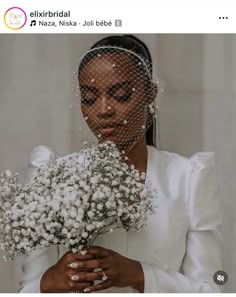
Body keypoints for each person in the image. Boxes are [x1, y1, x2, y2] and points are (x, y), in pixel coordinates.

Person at [19, 35, 223, 293]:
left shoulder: (189, 178)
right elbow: (27, 289)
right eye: (90, 98)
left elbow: (215, 286)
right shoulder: (53, 176)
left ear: (150, 94)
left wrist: (141, 275)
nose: (103, 109)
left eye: (121, 95)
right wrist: (49, 282)